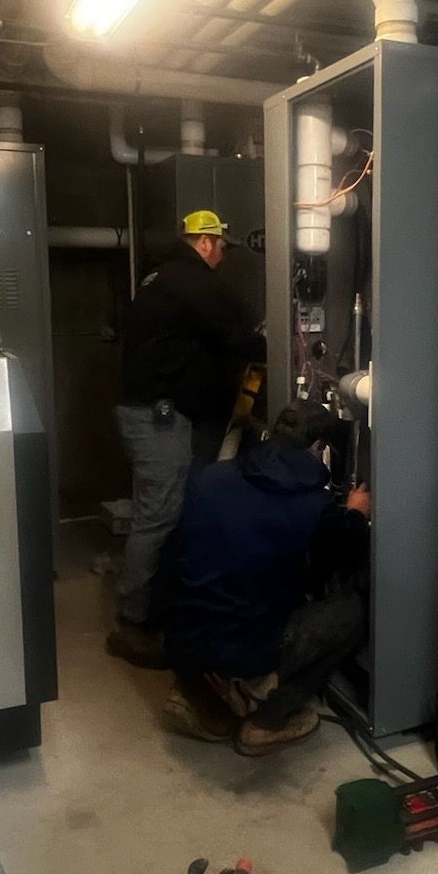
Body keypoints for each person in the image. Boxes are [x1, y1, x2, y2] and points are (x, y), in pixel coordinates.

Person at [159, 401, 370, 756]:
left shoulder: (210, 477)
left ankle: (199, 692)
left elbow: (172, 557)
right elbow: (348, 553)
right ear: (319, 448)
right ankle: (266, 715)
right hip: (242, 649)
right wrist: (355, 513)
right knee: (352, 611)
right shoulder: (311, 506)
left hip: (183, 638)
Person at [107, 208, 264, 666]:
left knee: (161, 511)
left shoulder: (159, 276)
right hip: (157, 419)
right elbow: (237, 335)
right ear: (206, 242)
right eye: (221, 248)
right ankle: (133, 624)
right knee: (157, 517)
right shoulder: (192, 280)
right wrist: (269, 344)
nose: (222, 258)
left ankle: (154, 605)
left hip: (150, 414)